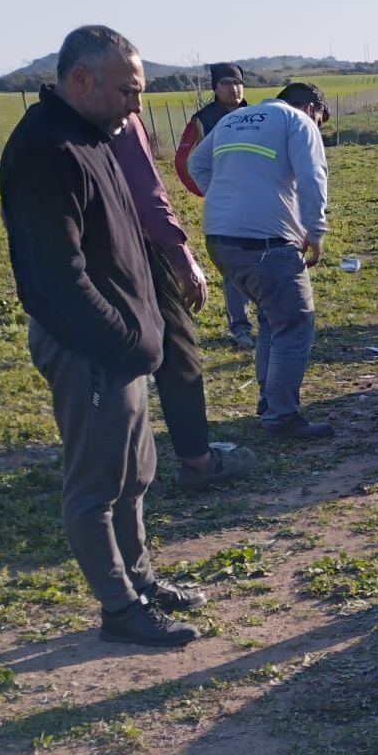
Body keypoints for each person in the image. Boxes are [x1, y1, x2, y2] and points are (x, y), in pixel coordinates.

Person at [0, 25, 204, 648]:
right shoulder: (47, 150)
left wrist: (145, 331)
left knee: (134, 475)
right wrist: (122, 340)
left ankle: (140, 582)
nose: (136, 105)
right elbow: (57, 279)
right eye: (126, 91)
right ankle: (119, 609)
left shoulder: (94, 136)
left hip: (122, 349)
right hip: (91, 351)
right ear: (81, 80)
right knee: (96, 488)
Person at [109, 113, 256, 492]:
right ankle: (198, 460)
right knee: (178, 350)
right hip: (135, 247)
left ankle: (110, 461)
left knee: (103, 355)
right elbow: (147, 192)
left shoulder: (46, 125)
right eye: (130, 91)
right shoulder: (119, 120)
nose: (136, 103)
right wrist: (181, 257)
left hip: (82, 259)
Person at [188, 81, 332, 439]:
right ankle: (282, 417)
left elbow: (196, 163)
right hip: (266, 243)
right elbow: (313, 177)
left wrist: (226, 198)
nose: (318, 126)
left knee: (272, 318)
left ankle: (270, 402)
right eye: (320, 120)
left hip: (221, 239)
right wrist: (315, 232)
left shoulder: (233, 119)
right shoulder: (298, 122)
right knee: (295, 323)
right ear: (311, 108)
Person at [173, 62, 255, 349]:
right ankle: (240, 327)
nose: (234, 89)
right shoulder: (203, 120)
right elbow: (184, 162)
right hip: (227, 206)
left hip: (261, 201)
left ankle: (270, 320)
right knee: (233, 266)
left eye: (238, 82)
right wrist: (210, 191)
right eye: (226, 83)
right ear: (215, 88)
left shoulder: (257, 115)